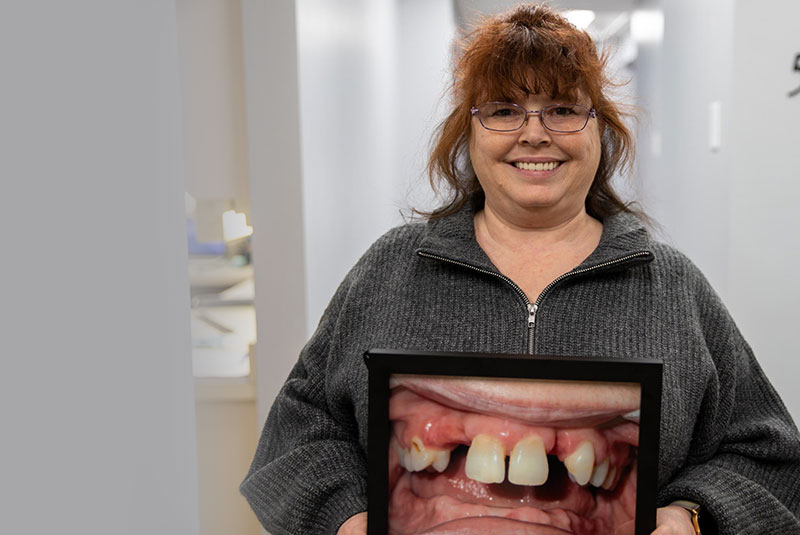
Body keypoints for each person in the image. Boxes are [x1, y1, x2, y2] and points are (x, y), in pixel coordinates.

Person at [241, 4, 800, 535]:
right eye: (504, 109)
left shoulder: (672, 284)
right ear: (470, 133)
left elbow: (770, 454)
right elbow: (299, 429)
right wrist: (347, 519)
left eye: (562, 109)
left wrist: (691, 514)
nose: (534, 133)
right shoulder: (391, 269)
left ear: (599, 132)